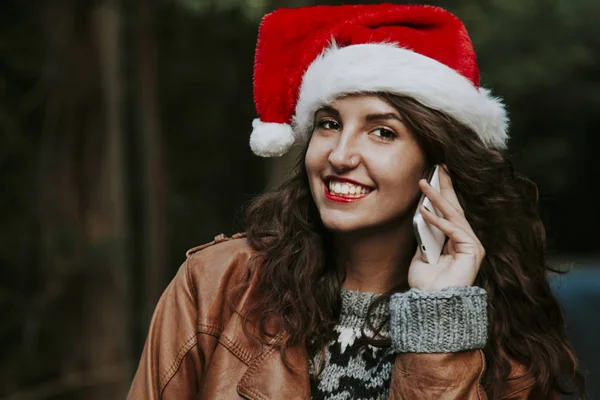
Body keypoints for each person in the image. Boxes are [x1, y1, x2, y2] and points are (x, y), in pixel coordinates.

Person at [128, 4, 583, 399]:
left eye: (382, 132)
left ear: (438, 163)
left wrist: (438, 317)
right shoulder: (214, 286)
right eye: (328, 124)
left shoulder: (503, 336)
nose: (340, 155)